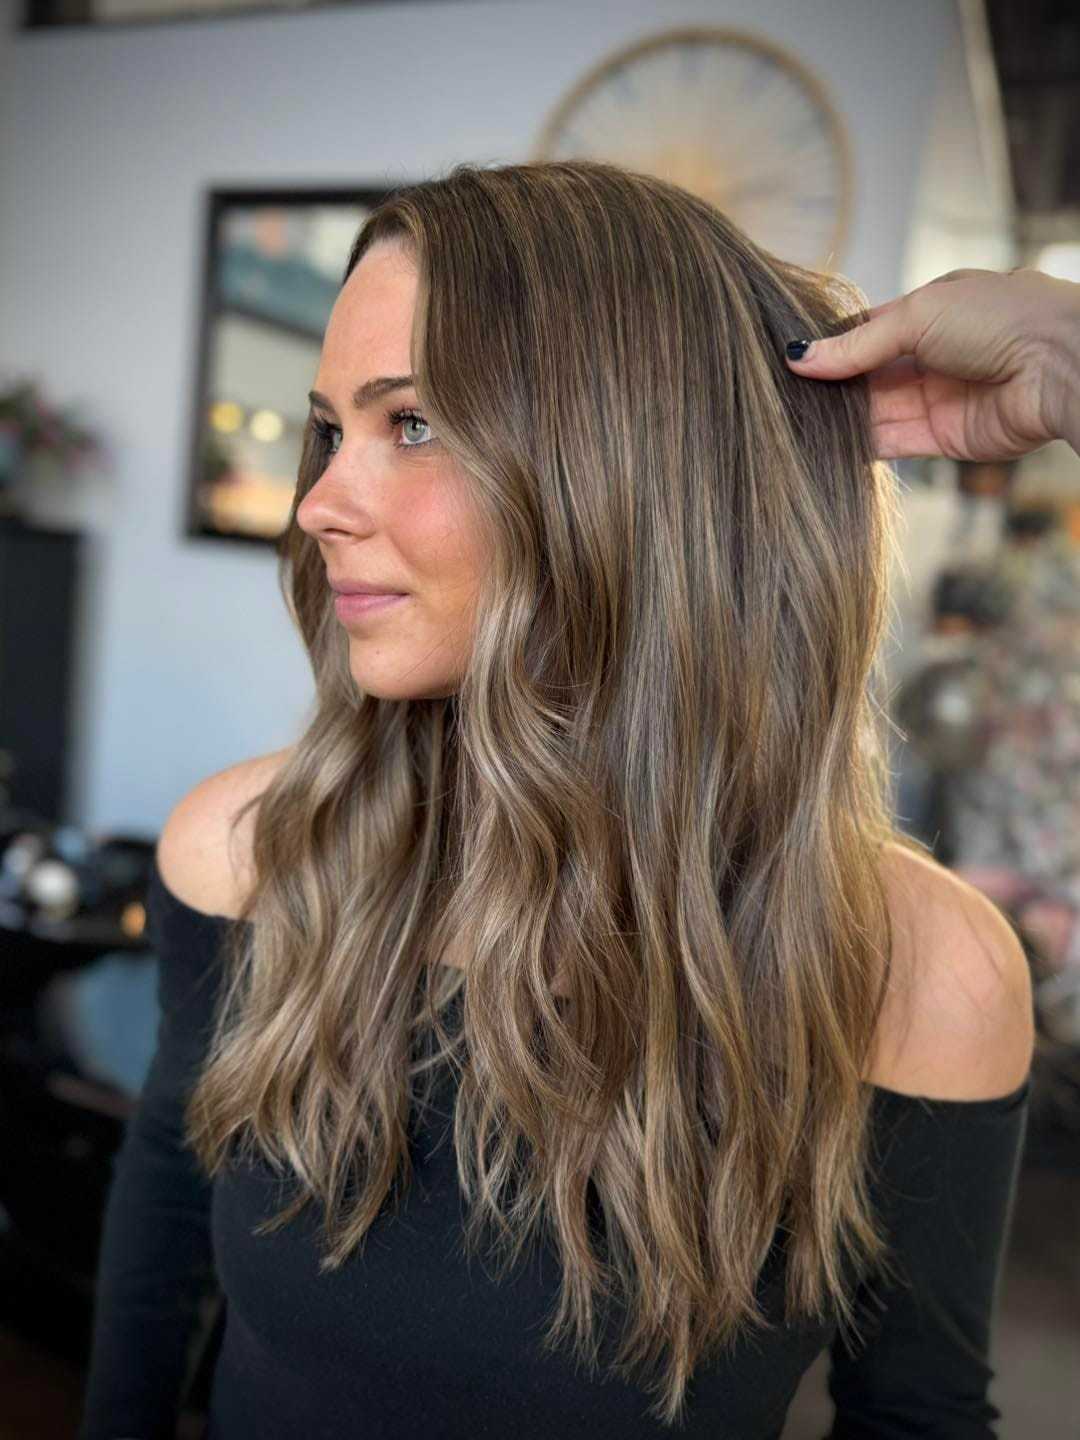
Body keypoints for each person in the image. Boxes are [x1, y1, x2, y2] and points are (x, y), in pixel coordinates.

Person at [79, 160, 1075, 1440]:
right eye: (334, 428)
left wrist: (1066, 348)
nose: (319, 502)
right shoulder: (252, 851)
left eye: (415, 424)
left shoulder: (917, 973)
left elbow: (919, 1416)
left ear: (631, 470)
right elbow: (162, 1244)